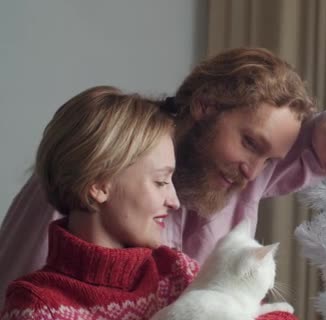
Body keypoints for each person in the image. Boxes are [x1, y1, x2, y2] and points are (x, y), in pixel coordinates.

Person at [0, 48, 326, 304]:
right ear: (204, 107)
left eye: (269, 159)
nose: (255, 173)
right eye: (249, 143)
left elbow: (318, 140)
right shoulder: (87, 174)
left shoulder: (240, 176)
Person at [1, 86, 198, 319]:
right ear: (98, 185)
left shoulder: (178, 273)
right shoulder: (38, 308)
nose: (174, 202)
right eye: (160, 181)